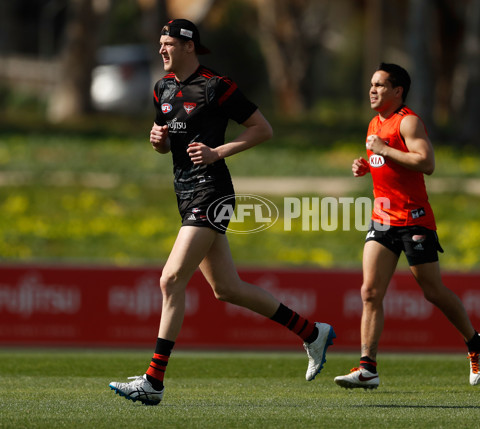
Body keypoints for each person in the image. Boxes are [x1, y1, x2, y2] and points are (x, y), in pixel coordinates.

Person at [109, 19, 335, 405]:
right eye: (160, 43)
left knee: (170, 279)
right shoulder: (161, 88)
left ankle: (154, 381)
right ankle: (312, 332)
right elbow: (165, 142)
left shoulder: (217, 85)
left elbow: (263, 129)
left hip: (212, 192)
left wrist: (218, 152)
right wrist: (157, 141)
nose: (161, 50)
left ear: (189, 47)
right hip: (183, 193)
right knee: (226, 289)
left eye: (168, 44)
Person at [334, 63, 480, 390]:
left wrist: (384, 150)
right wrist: (368, 165)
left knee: (432, 292)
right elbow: (387, 163)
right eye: (371, 84)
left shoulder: (409, 121)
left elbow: (427, 162)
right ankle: (368, 368)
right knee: (370, 292)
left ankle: (475, 343)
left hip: (414, 220)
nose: (372, 90)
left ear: (397, 91)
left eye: (379, 85)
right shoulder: (374, 124)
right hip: (383, 219)